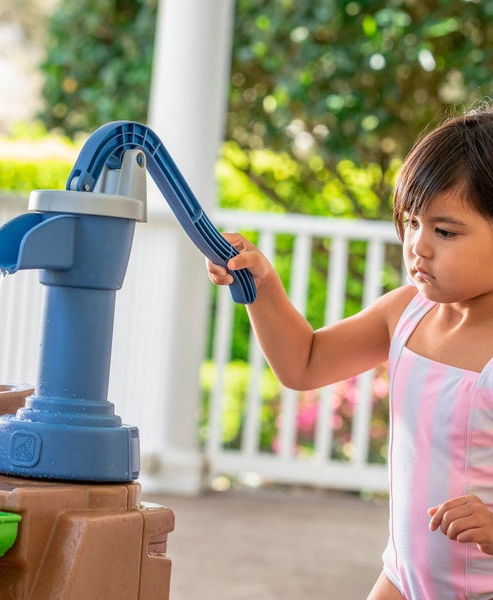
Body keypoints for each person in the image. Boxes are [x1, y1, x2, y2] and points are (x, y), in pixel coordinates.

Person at [206, 107, 493, 599]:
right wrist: (265, 289)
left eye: (445, 232)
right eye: (411, 221)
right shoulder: (407, 312)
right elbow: (305, 362)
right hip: (402, 578)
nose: (417, 246)